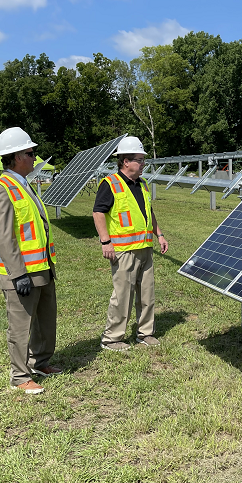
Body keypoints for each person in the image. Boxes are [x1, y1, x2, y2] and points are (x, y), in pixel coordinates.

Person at [0, 127, 61, 394]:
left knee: (45, 320)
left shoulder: (24, 184)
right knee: (21, 325)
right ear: (17, 156)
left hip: (42, 268)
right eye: (31, 153)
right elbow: (4, 237)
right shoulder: (2, 190)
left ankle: (41, 362)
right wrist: (18, 274)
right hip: (21, 273)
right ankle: (20, 376)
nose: (34, 157)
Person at [93, 135, 169, 351]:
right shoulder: (110, 184)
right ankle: (112, 338)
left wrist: (159, 234)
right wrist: (105, 242)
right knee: (123, 296)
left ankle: (145, 333)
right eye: (139, 160)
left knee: (147, 294)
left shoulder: (143, 184)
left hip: (145, 248)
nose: (143, 164)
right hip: (123, 250)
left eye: (143, 160)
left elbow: (148, 212)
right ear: (126, 161)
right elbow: (98, 212)